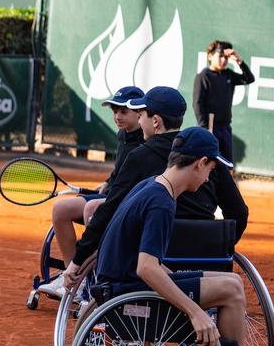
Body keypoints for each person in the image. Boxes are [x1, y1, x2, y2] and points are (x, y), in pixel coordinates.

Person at [94, 127, 274, 346]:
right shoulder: (161, 202)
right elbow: (147, 267)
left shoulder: (152, 186)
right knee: (230, 289)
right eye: (211, 169)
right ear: (200, 163)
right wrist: (195, 310)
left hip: (119, 286)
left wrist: (188, 280)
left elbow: (148, 262)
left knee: (230, 281)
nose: (208, 178)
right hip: (128, 298)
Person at [62, 86, 249, 291]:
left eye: (141, 115)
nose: (140, 121)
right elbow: (239, 211)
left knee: (102, 212)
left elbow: (109, 211)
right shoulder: (207, 157)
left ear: (155, 121)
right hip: (203, 258)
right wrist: (219, 247)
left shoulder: (139, 158)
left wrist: (78, 259)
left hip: (153, 262)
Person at [36, 85, 144, 299]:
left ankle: (92, 282)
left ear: (140, 112)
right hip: (112, 193)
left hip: (126, 200)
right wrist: (107, 181)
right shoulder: (123, 134)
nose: (117, 117)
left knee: (91, 209)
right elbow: (120, 170)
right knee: (61, 209)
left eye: (123, 112)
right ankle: (74, 278)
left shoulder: (146, 139)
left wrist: (114, 188)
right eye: (115, 112)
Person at [192, 39, 254, 164]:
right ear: (210, 56)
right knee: (208, 165)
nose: (223, 60)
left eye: (226, 58)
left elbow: (249, 79)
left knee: (227, 165)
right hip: (209, 128)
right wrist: (205, 129)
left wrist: (238, 60)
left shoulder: (228, 75)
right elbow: (197, 104)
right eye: (220, 56)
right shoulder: (203, 77)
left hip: (225, 128)